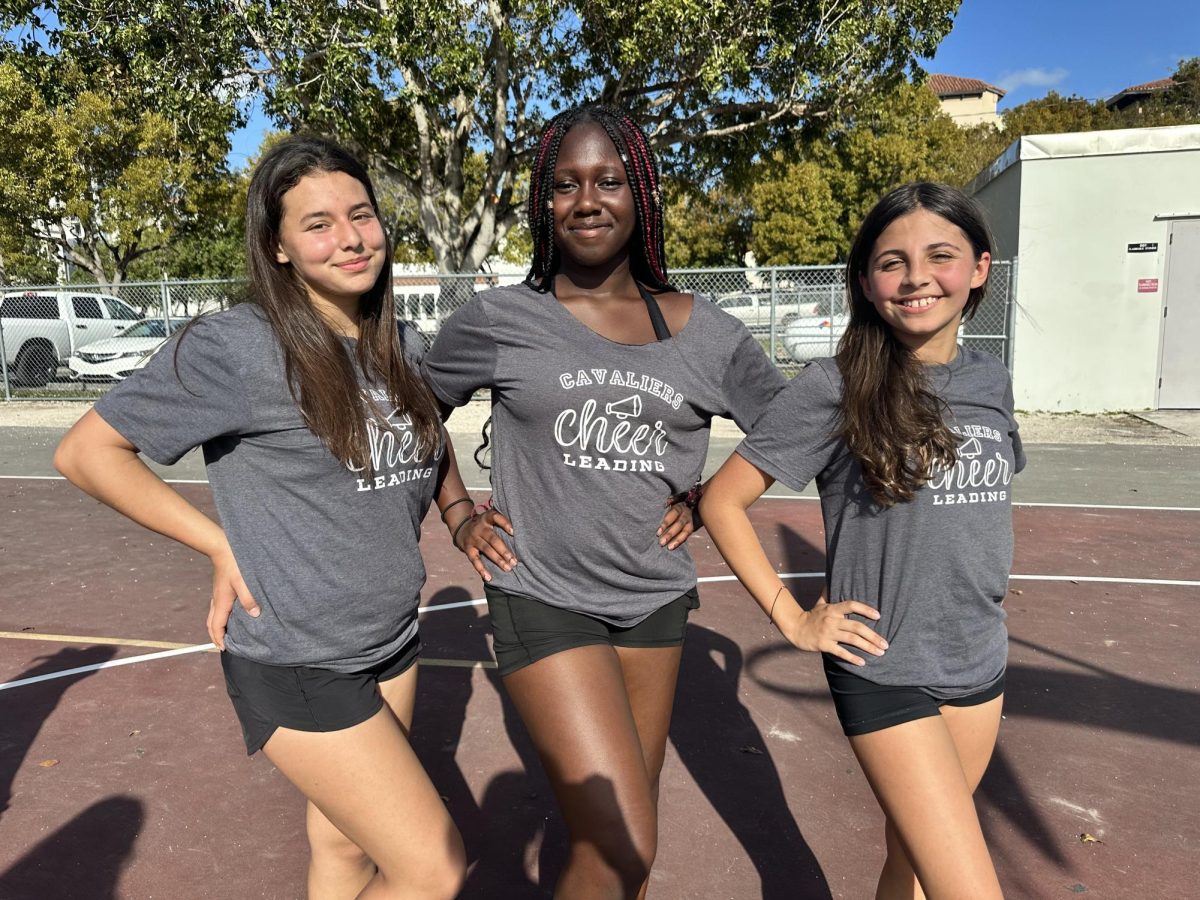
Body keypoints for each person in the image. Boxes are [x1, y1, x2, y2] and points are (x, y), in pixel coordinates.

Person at [53, 135, 508, 899]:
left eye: (360, 215)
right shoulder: (239, 347)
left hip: (389, 639)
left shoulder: (401, 342)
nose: (351, 237)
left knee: (344, 851)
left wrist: (458, 514)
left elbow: (423, 433)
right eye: (319, 223)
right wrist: (216, 543)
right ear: (281, 247)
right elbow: (87, 452)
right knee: (433, 868)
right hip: (296, 655)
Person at [420, 103, 786, 899]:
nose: (586, 199)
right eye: (565, 184)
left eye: (609, 180)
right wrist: (457, 513)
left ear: (642, 194)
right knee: (622, 836)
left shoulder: (708, 334)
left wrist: (707, 493)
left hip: (652, 598)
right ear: (543, 204)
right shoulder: (501, 319)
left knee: (630, 834)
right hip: (541, 591)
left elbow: (791, 430)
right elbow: (410, 412)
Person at [700, 182, 1022, 899]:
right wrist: (793, 618)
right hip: (883, 665)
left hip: (977, 659)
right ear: (865, 282)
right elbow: (722, 501)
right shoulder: (836, 386)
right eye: (891, 262)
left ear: (978, 269)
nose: (915, 278)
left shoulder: (991, 379)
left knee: (909, 860)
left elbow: (984, 505)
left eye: (940, 255)